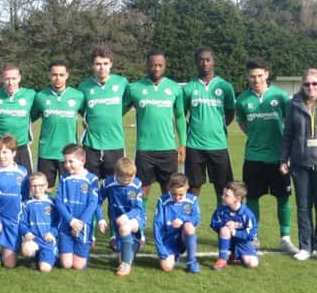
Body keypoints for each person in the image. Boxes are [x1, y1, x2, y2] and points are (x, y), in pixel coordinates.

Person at [235, 58, 297, 254]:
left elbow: (290, 123)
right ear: (247, 77)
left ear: (267, 74)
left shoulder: (280, 96)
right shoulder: (243, 99)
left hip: (279, 158)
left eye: (260, 76)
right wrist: (256, 138)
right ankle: (253, 236)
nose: (256, 80)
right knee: (252, 198)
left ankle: (285, 238)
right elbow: (243, 123)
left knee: (283, 197)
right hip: (253, 157)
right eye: (252, 76)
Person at [280, 68, 317, 262]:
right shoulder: (294, 104)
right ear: (302, 85)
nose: (311, 87)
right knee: (303, 207)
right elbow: (287, 135)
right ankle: (305, 246)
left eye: (314, 83)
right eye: (307, 84)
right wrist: (283, 160)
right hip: (300, 164)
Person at [125, 50, 186, 212]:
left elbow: (180, 117)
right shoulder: (135, 88)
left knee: (170, 192)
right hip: (144, 150)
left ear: (165, 65)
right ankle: (140, 228)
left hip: (167, 150)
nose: (156, 68)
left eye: (160, 65)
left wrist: (183, 144)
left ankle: (168, 225)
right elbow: (117, 112)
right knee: (142, 191)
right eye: (153, 65)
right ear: (147, 65)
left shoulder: (174, 88)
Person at [182, 47, 236, 204]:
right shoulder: (189, 87)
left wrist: (218, 127)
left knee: (223, 189)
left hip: (218, 144)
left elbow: (230, 112)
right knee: (193, 187)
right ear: (196, 63)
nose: (204, 63)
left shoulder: (225, 86)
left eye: (208, 59)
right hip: (194, 146)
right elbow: (181, 115)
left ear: (213, 62)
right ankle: (190, 223)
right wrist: (191, 130)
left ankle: (223, 223)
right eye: (201, 60)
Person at [32, 59, 84, 191]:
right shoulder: (40, 97)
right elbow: (29, 118)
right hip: (47, 152)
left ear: (67, 75)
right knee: (44, 189)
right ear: (49, 75)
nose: (57, 78)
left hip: (69, 153)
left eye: (61, 75)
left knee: (70, 188)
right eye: (54, 75)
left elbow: (89, 115)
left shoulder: (78, 96)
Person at [77, 46, 128, 179]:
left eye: (105, 63)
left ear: (111, 64)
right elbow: (82, 109)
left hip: (115, 143)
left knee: (116, 184)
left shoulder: (122, 83)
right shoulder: (84, 87)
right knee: (90, 184)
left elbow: (128, 103)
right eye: (98, 64)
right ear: (92, 65)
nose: (102, 67)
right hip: (91, 144)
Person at [0, 134, 29, 274]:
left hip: (14, 219)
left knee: (9, 264)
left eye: (5, 152)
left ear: (13, 153)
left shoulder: (22, 172)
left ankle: (13, 248)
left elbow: (25, 197)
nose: (1, 156)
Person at [97, 158, 144, 276]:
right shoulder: (108, 184)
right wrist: (101, 219)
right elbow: (98, 202)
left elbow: (138, 208)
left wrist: (126, 216)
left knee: (125, 228)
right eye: (125, 179)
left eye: (131, 178)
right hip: (117, 222)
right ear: (116, 174)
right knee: (121, 254)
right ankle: (135, 245)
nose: (129, 181)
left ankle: (126, 264)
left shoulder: (136, 184)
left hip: (135, 217)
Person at [0, 63, 36, 174]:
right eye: (7, 78)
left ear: (19, 78)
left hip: (21, 147)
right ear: (1, 78)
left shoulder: (30, 95)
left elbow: (35, 113)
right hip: (0, 147)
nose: (10, 82)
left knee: (27, 183)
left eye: (14, 78)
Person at [55, 144, 99, 270]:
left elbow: (93, 203)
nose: (67, 165)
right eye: (65, 162)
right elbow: (59, 201)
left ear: (82, 161)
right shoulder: (64, 178)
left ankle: (83, 253)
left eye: (70, 161)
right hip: (66, 223)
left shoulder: (92, 179)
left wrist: (80, 223)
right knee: (66, 264)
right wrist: (71, 220)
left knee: (78, 266)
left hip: (83, 225)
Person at [153, 173, 201, 273]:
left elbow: (197, 219)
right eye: (174, 194)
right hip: (169, 240)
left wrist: (183, 219)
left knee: (189, 226)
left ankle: (191, 261)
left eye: (181, 194)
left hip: (183, 236)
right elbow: (157, 226)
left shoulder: (192, 200)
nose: (177, 197)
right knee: (166, 267)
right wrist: (160, 248)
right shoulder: (162, 201)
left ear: (187, 188)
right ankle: (175, 255)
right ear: (169, 188)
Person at [210, 181, 259, 270]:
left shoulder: (247, 214)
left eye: (226, 195)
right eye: (223, 194)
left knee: (253, 263)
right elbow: (213, 223)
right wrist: (225, 225)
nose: (222, 197)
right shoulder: (221, 210)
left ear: (237, 198)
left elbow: (251, 235)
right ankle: (222, 259)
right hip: (227, 241)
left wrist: (235, 232)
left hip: (242, 242)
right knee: (224, 229)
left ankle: (235, 255)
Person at [19, 172, 59, 273]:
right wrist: (26, 232)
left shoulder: (53, 203)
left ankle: (52, 255)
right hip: (34, 240)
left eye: (40, 185)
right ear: (30, 187)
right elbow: (21, 223)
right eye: (34, 186)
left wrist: (53, 233)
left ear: (46, 186)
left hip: (48, 241)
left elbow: (59, 222)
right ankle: (35, 257)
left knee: (44, 269)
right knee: (27, 249)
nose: (37, 189)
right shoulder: (26, 204)